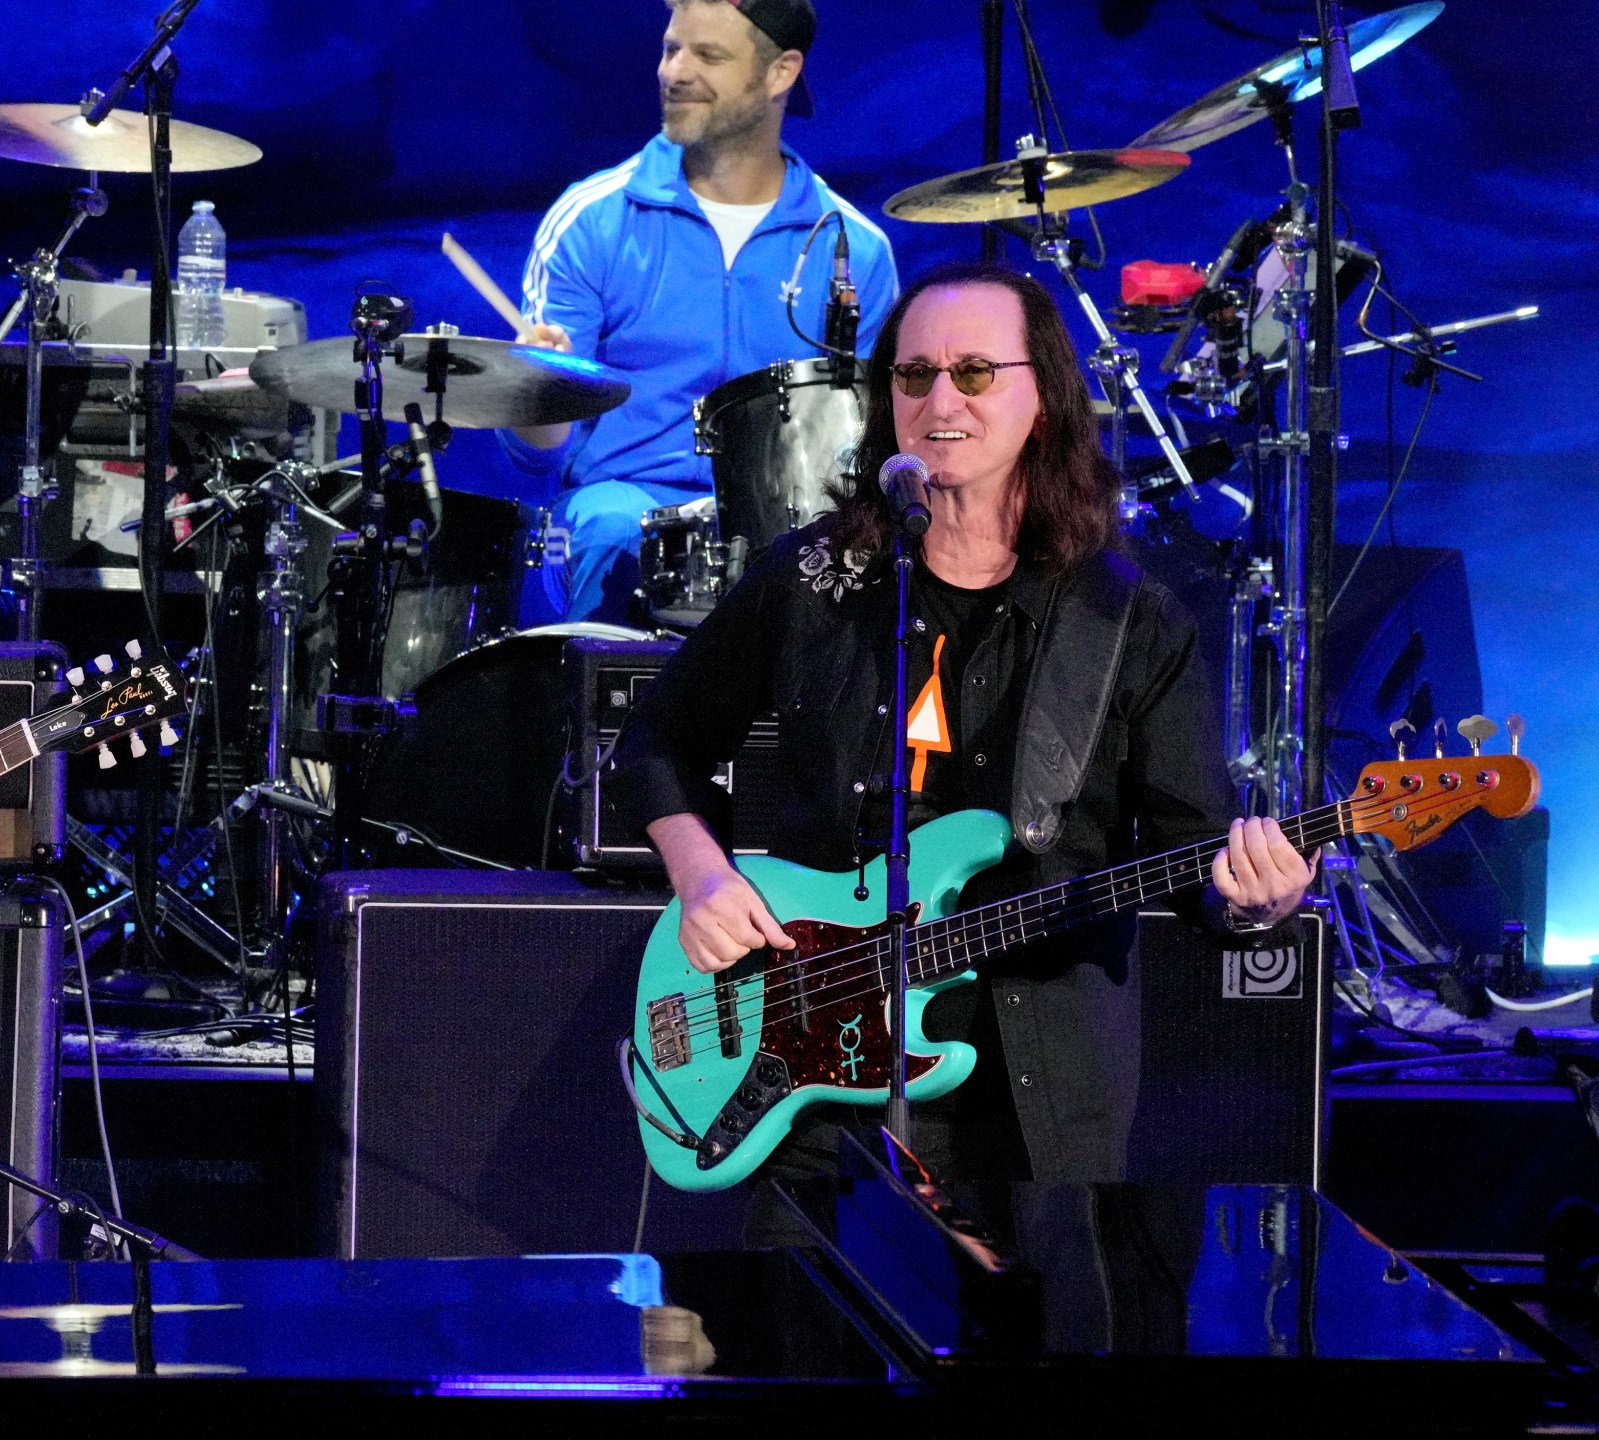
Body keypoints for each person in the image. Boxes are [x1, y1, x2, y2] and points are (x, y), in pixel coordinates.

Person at [604, 262, 1313, 1214]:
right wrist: (702, 877)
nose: (940, 398)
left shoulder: (1128, 619)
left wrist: (1255, 900)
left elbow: (1196, 860)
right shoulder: (817, 577)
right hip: (809, 1075)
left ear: (1045, 404)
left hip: (1039, 1096)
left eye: (975, 372)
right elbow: (657, 735)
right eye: (913, 375)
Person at [504, 0, 900, 624]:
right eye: (670, 49)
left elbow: (874, 438)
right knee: (607, 529)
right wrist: (536, 393)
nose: (674, 72)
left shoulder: (854, 247)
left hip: (790, 515)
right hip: (625, 506)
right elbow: (537, 456)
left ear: (781, 72)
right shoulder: (593, 219)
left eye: (707, 55)